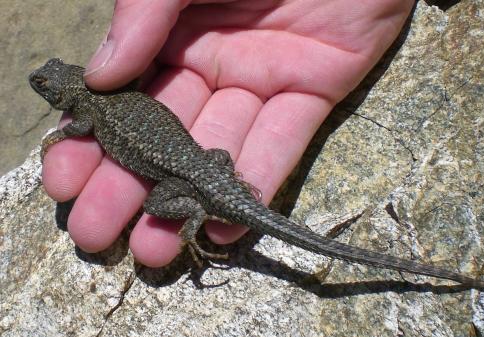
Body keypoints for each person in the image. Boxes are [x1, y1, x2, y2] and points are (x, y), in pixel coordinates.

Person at [42, 0, 414, 267]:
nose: (41, 84)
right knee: (215, 159)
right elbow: (216, 157)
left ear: (64, 93)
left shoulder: (89, 107)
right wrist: (222, 183)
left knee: (154, 206)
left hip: (185, 177)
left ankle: (195, 219)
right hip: (203, 164)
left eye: (45, 83)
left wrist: (62, 135)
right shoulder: (105, 95)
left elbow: (82, 127)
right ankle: (212, 202)